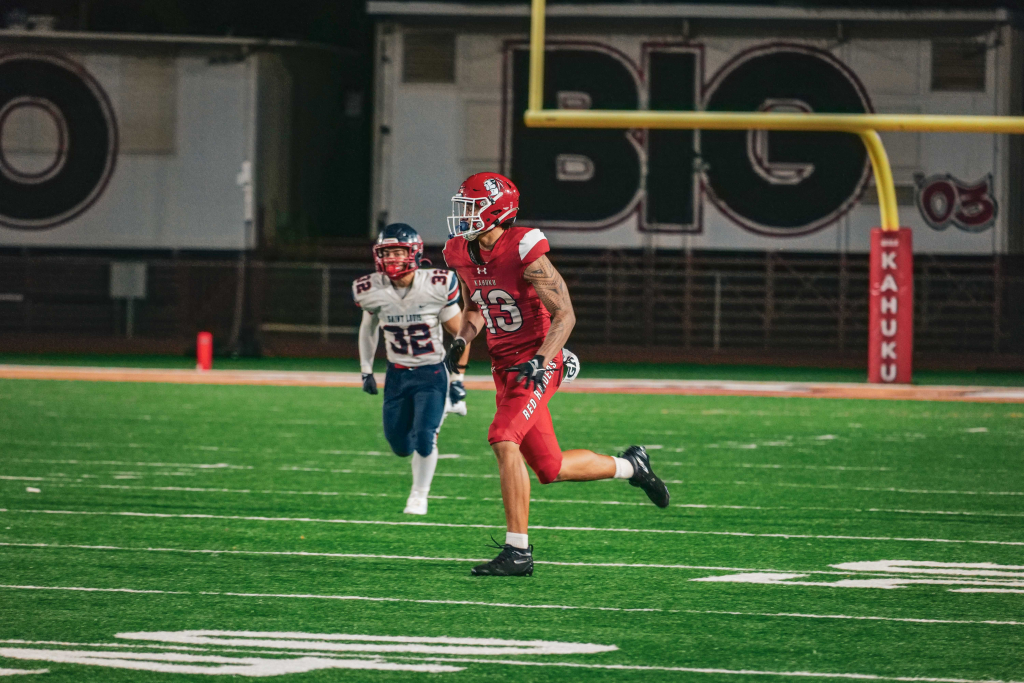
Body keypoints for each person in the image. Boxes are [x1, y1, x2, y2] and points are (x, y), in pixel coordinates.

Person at [442, 173, 670, 577]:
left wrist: (543, 359)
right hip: (503, 366)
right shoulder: (459, 252)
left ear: (497, 211)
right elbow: (476, 308)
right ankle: (632, 466)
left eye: (472, 207)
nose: (464, 215)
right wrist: (462, 339)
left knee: (503, 437)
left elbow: (565, 313)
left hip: (538, 362)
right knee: (551, 468)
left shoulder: (523, 247)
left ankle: (518, 552)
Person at [353, 223, 470, 515]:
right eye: (387, 252)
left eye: (398, 252)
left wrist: (457, 379)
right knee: (400, 446)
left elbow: (460, 335)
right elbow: (368, 329)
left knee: (424, 437)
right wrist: (367, 370)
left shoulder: (436, 285)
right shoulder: (370, 289)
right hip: (397, 374)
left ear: (414, 253)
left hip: (431, 373)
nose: (392, 258)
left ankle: (419, 495)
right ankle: (440, 412)